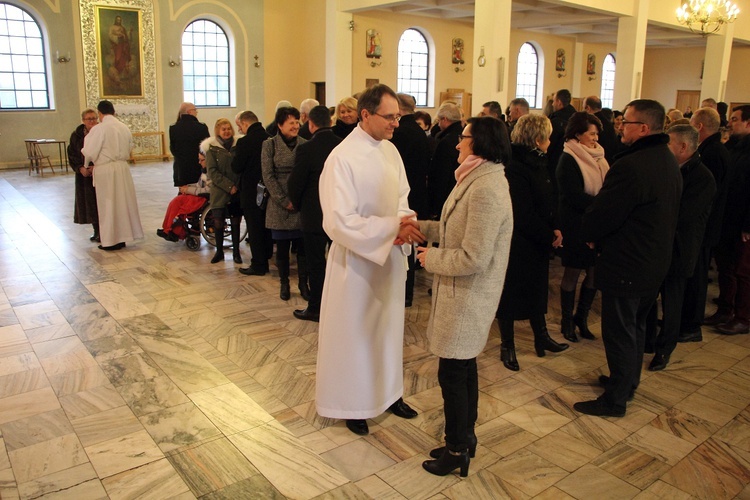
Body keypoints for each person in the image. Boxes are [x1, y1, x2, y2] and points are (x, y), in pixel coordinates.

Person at [316, 84, 424, 436]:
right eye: (390, 117)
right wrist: (392, 228)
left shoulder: (391, 152)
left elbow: (402, 197)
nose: (396, 123)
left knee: (389, 331)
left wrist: (404, 222)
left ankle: (390, 393)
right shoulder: (341, 158)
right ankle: (354, 404)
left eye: (398, 116)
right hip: (357, 264)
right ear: (365, 115)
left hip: (389, 258)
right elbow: (337, 221)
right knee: (357, 335)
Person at [416, 116, 513, 477]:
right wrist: (420, 228)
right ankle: (465, 437)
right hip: (463, 294)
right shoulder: (476, 177)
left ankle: (457, 449)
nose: (458, 143)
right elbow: (455, 229)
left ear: (481, 143)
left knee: (453, 373)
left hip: (469, 295)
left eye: (464, 138)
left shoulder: (487, 188)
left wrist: (431, 258)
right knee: (463, 367)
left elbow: (475, 256)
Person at [575, 99, 682, 417]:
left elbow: (605, 213)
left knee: (620, 330)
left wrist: (590, 231)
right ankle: (626, 381)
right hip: (653, 262)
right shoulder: (666, 159)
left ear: (645, 128)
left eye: (628, 122)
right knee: (635, 326)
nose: (620, 125)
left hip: (628, 262)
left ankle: (615, 399)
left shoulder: (633, 165)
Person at [496, 114, 568, 372]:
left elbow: (550, 197)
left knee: (538, 289)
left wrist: (555, 226)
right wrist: (548, 235)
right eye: (547, 137)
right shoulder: (515, 166)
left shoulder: (539, 161)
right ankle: (508, 346)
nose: (550, 142)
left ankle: (542, 336)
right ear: (538, 139)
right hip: (518, 241)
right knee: (511, 293)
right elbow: (521, 212)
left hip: (537, 239)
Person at [645, 124, 715, 370]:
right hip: (658, 245)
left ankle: (664, 350)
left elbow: (683, 215)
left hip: (680, 249)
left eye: (669, 144)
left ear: (684, 147)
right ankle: (647, 340)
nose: (665, 149)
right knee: (648, 296)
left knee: (672, 302)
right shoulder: (668, 169)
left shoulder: (703, 177)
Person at [556, 112, 609, 343]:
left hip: (596, 224)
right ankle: (566, 321)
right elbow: (573, 196)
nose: (595, 138)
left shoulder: (599, 157)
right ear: (578, 134)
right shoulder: (568, 158)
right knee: (572, 273)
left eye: (597, 133)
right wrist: (602, 205)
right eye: (591, 133)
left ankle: (581, 318)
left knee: (594, 273)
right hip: (576, 223)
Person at [679, 107, 731, 342]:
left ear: (699, 126)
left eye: (691, 121)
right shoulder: (713, 150)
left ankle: (691, 325)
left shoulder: (712, 153)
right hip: (704, 225)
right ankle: (685, 320)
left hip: (704, 226)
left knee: (697, 276)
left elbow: (709, 195)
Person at [287, 106, 342, 321]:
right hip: (338, 213)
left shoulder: (306, 149)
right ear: (330, 121)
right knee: (339, 262)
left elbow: (295, 183)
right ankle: (338, 306)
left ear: (310, 124)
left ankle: (316, 307)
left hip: (314, 215)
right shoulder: (342, 145)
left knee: (316, 264)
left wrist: (300, 205)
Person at [707, 105, 750, 334]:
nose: (730, 123)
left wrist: (748, 226)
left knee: (743, 271)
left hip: (743, 223)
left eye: (735, 119)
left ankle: (743, 316)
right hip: (728, 218)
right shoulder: (733, 147)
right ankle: (725, 309)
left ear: (748, 123)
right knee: (727, 266)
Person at [81, 100, 143, 251]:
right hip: (122, 168)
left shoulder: (99, 129)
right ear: (113, 112)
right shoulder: (124, 127)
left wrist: (87, 162)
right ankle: (122, 238)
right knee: (122, 203)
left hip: (106, 170)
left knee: (108, 205)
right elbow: (130, 147)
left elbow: (89, 151)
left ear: (100, 113)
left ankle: (110, 241)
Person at [262, 107, 308, 301]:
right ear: (280, 125)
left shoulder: (305, 144)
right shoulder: (269, 145)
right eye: (291, 122)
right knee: (282, 250)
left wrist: (297, 200)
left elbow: (308, 173)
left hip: (300, 204)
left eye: (297, 122)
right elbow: (268, 175)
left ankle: (303, 284)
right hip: (279, 204)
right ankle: (284, 283)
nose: (296, 126)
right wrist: (284, 201)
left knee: (302, 249)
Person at [391, 93, 430, 307]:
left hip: (403, 194)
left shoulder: (399, 133)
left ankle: (403, 292)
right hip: (418, 193)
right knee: (411, 243)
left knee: (404, 242)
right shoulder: (419, 131)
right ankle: (408, 293)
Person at [233, 111, 273, 276]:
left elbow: (236, 167)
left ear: (244, 123)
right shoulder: (270, 138)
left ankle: (259, 264)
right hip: (269, 190)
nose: (239, 129)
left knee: (255, 229)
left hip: (251, 192)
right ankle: (268, 255)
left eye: (239, 126)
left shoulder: (245, 142)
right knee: (267, 226)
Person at [201, 118, 242, 264]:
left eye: (229, 128)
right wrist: (228, 186)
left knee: (236, 220)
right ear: (218, 131)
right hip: (219, 191)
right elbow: (212, 171)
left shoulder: (238, 146)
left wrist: (235, 186)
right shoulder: (212, 148)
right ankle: (219, 251)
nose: (226, 131)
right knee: (218, 221)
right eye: (223, 129)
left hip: (237, 190)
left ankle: (236, 252)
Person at [157, 152, 211, 242]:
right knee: (176, 201)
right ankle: (168, 228)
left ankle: (173, 230)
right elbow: (199, 185)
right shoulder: (205, 170)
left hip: (204, 198)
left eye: (202, 160)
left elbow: (207, 190)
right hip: (200, 196)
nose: (199, 162)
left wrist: (187, 190)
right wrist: (186, 187)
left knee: (178, 203)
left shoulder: (212, 172)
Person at [68, 108, 100, 242]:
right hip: (83, 175)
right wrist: (80, 167)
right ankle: (96, 230)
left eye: (94, 118)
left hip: (98, 173)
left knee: (99, 202)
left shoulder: (101, 132)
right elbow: (72, 153)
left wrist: (96, 166)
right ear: (83, 120)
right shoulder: (76, 135)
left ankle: (103, 231)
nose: (92, 121)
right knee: (89, 204)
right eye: (89, 119)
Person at [428, 102, 463, 219]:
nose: (438, 124)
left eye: (439, 120)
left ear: (444, 119)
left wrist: (435, 206)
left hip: (446, 196)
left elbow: (440, 175)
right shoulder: (462, 136)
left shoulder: (447, 141)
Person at [169, 102, 210, 187]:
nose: (196, 112)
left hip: (181, 168)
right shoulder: (201, 127)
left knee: (183, 193)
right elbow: (206, 147)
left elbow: (173, 149)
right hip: (197, 167)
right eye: (195, 110)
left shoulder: (173, 128)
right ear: (189, 112)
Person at [584, 96, 618, 165]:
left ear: (588, 108)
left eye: (584, 108)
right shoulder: (608, 123)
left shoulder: (590, 123)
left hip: (595, 161)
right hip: (608, 160)